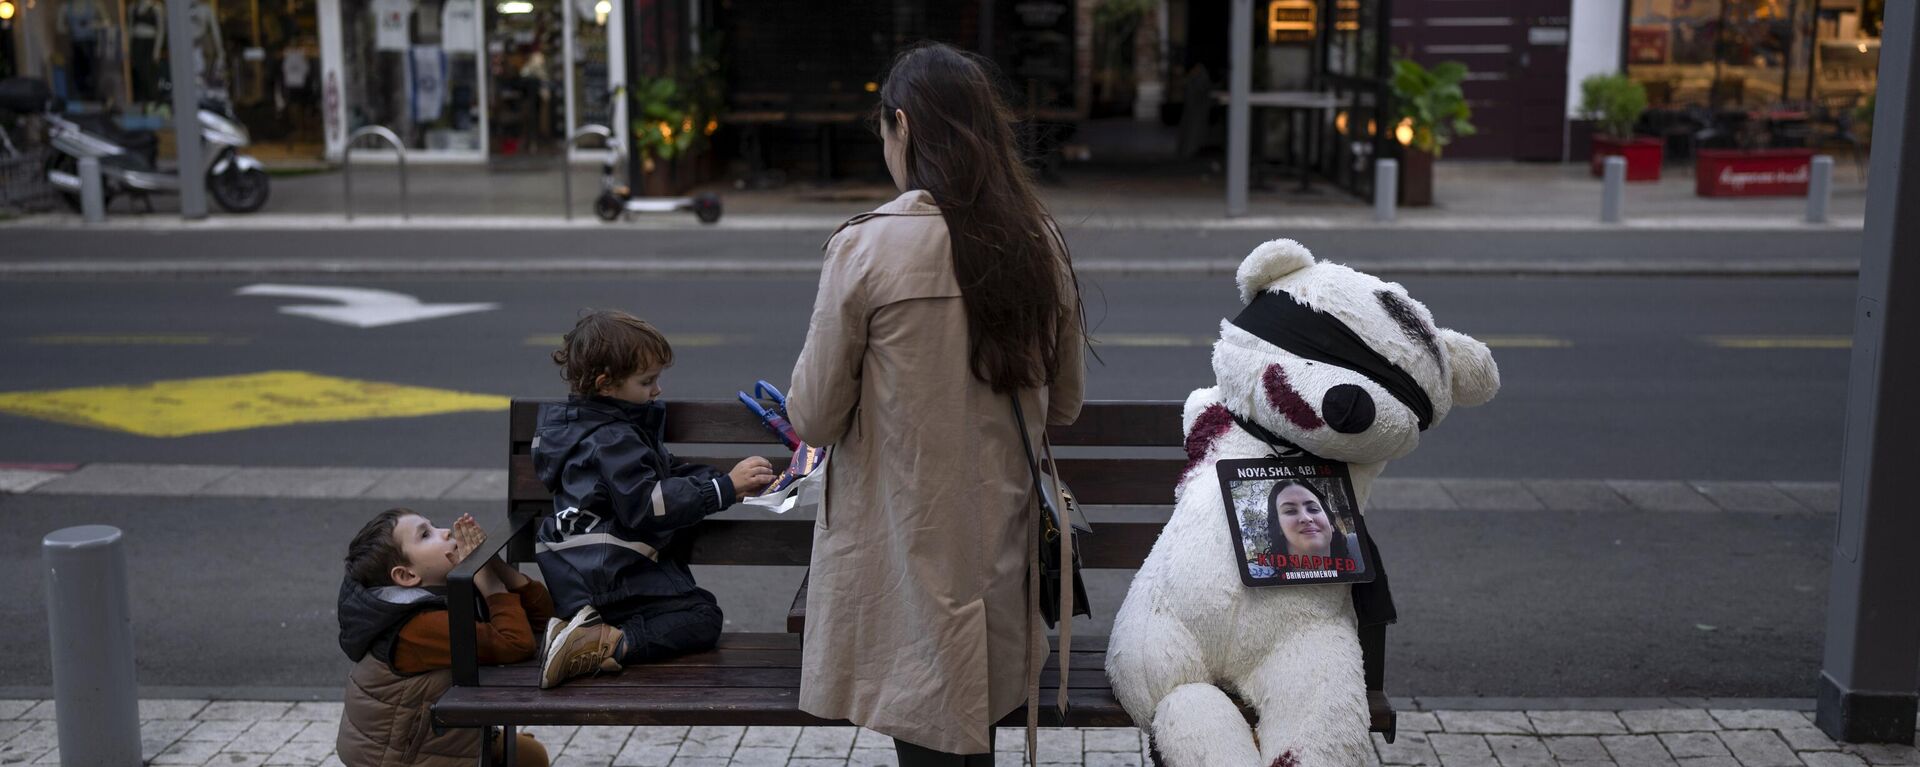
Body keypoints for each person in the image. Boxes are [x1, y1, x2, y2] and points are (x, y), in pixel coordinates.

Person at [788, 42, 1087, 766]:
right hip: (999, 566)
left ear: (903, 126)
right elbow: (1066, 402)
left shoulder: (866, 248)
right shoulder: (1037, 240)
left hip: (901, 557)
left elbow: (815, 417)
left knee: (927, 735)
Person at [534, 310, 778, 689]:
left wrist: (724, 482)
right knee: (702, 617)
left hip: (583, 574)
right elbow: (649, 505)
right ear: (606, 385)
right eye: (647, 381)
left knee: (695, 610)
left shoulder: (590, 430)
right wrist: (723, 489)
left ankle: (580, 638)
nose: (657, 390)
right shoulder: (614, 439)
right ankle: (608, 644)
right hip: (613, 577)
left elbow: (658, 476)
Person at [335, 509, 551, 767]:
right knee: (525, 757)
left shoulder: (444, 590)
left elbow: (544, 620)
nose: (446, 531)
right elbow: (517, 644)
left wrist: (493, 564)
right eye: (426, 535)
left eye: (433, 525)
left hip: (437, 738)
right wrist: (490, 584)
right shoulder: (416, 625)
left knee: (529, 755)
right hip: (402, 757)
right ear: (406, 576)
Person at [1265, 479, 1361, 569]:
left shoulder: (1359, 548)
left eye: (1313, 509)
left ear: (1330, 523)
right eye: (1290, 511)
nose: (1306, 518)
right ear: (1279, 528)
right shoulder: (1261, 574)